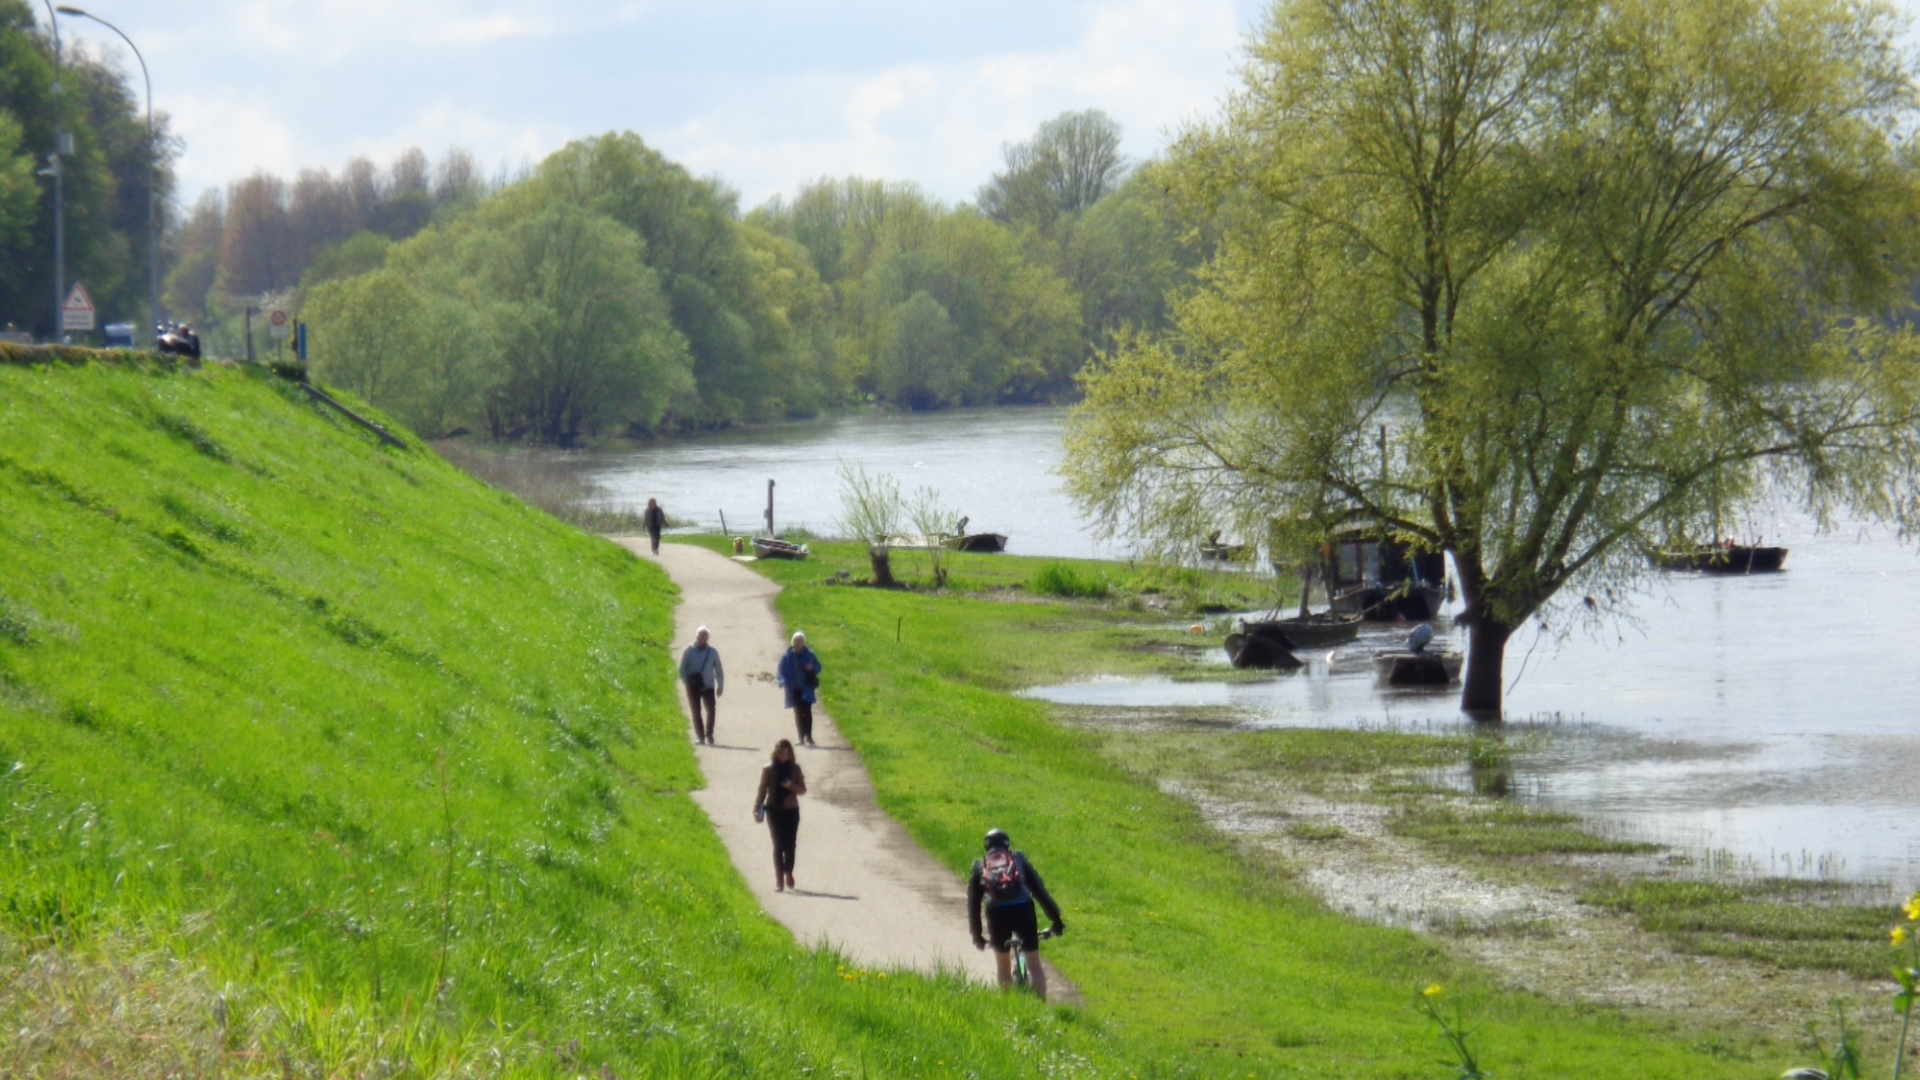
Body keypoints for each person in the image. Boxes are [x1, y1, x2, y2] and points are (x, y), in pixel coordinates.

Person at [968, 828, 1065, 997]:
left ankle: (1009, 1008)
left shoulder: (980, 866)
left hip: (996, 913)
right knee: (1034, 965)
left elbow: (974, 905)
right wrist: (1056, 920)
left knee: (1003, 966)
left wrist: (978, 936)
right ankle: (1040, 1007)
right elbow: (1040, 892)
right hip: (1023, 908)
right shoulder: (1018, 859)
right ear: (1008, 845)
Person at [753, 739, 808, 891]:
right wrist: (756, 808)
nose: (784, 756)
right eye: (781, 753)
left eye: (787, 753)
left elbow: (803, 790)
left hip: (791, 809)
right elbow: (762, 790)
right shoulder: (769, 769)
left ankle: (788, 872)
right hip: (773, 809)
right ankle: (779, 879)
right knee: (778, 844)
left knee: (790, 845)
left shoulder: (794, 769)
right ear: (776, 753)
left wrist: (792, 786)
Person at [678, 626, 725, 744]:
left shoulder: (713, 652)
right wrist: (686, 683)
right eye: (700, 635)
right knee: (696, 711)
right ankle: (700, 736)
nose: (702, 638)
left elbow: (718, 670)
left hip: (708, 686)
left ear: (708, 638)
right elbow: (682, 668)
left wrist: (720, 685)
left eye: (705, 636)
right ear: (696, 636)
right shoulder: (688, 651)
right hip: (692, 687)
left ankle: (709, 734)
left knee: (711, 710)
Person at [776, 631, 823, 746]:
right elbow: (780, 670)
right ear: (792, 642)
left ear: (804, 643)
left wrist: (812, 668)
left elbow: (818, 667)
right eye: (796, 641)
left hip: (806, 688)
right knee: (798, 713)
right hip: (793, 689)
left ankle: (809, 737)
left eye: (800, 641)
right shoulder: (787, 655)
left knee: (807, 712)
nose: (798, 643)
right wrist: (783, 681)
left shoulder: (810, 654)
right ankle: (800, 737)